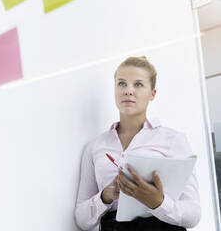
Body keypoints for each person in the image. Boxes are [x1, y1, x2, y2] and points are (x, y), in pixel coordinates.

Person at [74, 56, 201, 231]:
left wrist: (158, 202)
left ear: (152, 94)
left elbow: (193, 214)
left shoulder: (173, 140)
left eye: (138, 84)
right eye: (122, 83)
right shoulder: (95, 147)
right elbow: (81, 219)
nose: (128, 91)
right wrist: (105, 196)